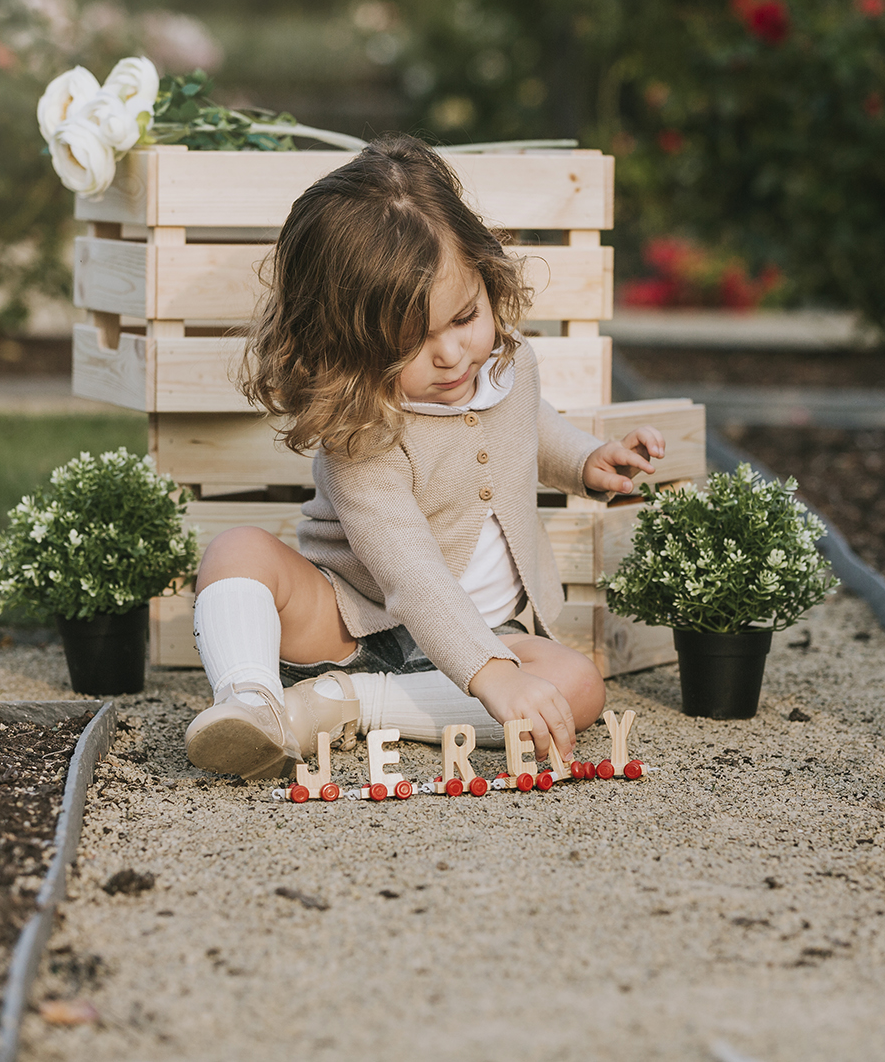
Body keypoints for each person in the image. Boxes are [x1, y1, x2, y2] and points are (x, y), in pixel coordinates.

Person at [184, 135, 663, 780]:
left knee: (577, 685)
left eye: (464, 317)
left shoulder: (510, 369)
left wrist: (585, 460)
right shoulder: (360, 434)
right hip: (352, 623)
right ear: (347, 346)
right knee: (235, 550)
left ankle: (339, 706)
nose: (451, 355)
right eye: (412, 341)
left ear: (487, 276)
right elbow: (408, 572)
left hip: (494, 630)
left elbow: (530, 429)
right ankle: (250, 702)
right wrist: (491, 676)